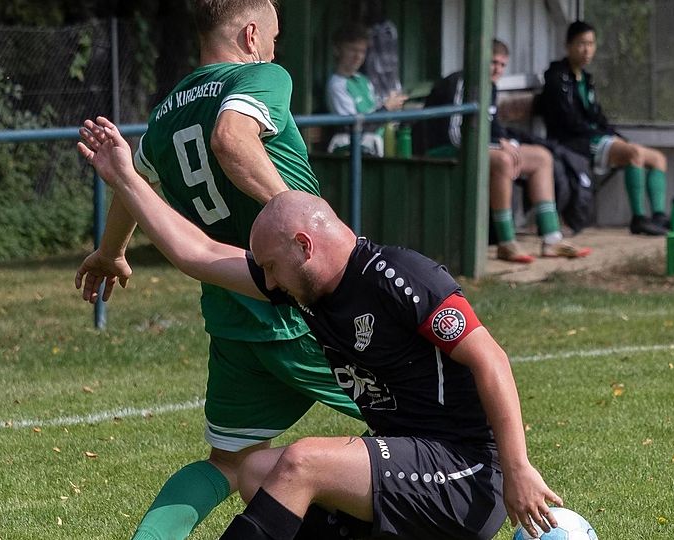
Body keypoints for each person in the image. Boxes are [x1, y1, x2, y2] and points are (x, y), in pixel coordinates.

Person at [77, 115, 565, 540]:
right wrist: (125, 177)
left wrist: (518, 468)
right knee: (256, 470)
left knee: (301, 461)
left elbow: (490, 357)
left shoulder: (400, 277)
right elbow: (198, 253)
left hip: (467, 472)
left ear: (305, 246)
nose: (266, 281)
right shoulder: (303, 284)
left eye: (270, 266)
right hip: (408, 462)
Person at [75, 1, 362, 538]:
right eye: (275, 36)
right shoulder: (260, 77)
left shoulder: (165, 114)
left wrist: (112, 250)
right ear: (252, 34)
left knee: (230, 462)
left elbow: (133, 185)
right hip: (302, 306)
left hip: (233, 316)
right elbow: (232, 139)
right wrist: (303, 224)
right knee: (423, 422)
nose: (278, 49)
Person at [422, 39, 591, 263]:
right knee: (503, 160)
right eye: (493, 62)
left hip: (474, 150)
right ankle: (506, 242)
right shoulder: (461, 82)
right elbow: (453, 135)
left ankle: (552, 239)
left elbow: (493, 127)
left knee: (542, 157)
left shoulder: (489, 86)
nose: (497, 69)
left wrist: (507, 141)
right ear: (480, 61)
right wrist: (498, 146)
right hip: (440, 151)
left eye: (502, 65)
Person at [539, 20, 670, 236]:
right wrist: (607, 138)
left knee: (658, 159)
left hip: (594, 137)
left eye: (591, 43)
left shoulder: (586, 79)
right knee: (633, 154)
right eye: (581, 43)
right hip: (573, 142)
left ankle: (658, 217)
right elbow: (569, 122)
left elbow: (598, 116)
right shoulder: (556, 77)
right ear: (568, 45)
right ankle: (638, 218)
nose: (587, 50)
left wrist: (616, 137)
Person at [325, 23, 407, 156]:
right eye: (352, 50)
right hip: (354, 152)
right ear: (337, 50)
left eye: (362, 51)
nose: (358, 56)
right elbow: (354, 127)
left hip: (376, 147)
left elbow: (372, 113)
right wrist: (386, 108)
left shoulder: (364, 80)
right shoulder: (337, 84)